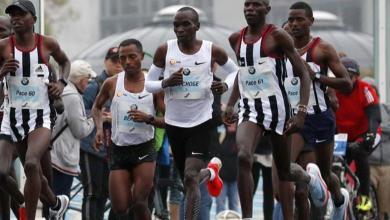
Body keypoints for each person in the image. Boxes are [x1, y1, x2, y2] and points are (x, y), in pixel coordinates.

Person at [223, 0, 332, 219]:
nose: (250, 9)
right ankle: (246, 216)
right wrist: (230, 103)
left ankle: (311, 180)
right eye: (247, 5)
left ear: (267, 10)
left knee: (285, 171)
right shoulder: (236, 38)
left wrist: (301, 111)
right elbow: (243, 73)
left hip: (278, 111)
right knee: (244, 156)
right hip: (250, 108)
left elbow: (303, 73)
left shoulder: (278, 36)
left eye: (256, 5)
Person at [145, 6, 239, 219]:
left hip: (200, 123)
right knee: (189, 181)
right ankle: (212, 171)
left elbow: (235, 73)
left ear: (197, 26)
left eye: (185, 24)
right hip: (174, 124)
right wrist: (166, 82)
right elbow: (148, 85)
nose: (180, 28)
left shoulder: (212, 50)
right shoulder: (164, 50)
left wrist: (224, 86)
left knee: (189, 178)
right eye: (176, 24)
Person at [281, 2, 353, 219]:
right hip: (295, 119)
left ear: (311, 21)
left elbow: (347, 83)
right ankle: (312, 182)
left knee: (327, 172)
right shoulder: (281, 50)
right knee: (285, 167)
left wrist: (318, 78)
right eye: (291, 19)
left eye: (299, 19)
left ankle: (340, 200)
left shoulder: (322, 49)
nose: (294, 24)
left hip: (320, 118)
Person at [0, 0, 71, 219]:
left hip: (40, 117)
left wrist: (61, 84)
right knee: (2, 172)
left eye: (21, 14)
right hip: (11, 117)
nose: (16, 18)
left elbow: (65, 62)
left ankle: (28, 215)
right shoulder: (3, 46)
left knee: (31, 164)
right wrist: (2, 71)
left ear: (34, 20)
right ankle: (53, 202)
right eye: (12, 15)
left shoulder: (47, 43)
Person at [92, 38, 165, 219]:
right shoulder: (111, 83)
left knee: (140, 202)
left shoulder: (153, 86)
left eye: (132, 57)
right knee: (120, 208)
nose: (127, 62)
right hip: (119, 150)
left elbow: (170, 120)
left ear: (141, 56)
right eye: (122, 58)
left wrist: (149, 119)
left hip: (144, 150)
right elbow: (96, 107)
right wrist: (99, 129)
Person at [80, 46, 122, 220]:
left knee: (108, 194)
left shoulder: (125, 84)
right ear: (106, 62)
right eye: (114, 60)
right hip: (92, 148)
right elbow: (80, 113)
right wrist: (101, 116)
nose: (119, 64)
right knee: (92, 193)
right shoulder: (95, 85)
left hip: (114, 149)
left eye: (122, 60)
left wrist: (117, 118)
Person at [336, 57, 382, 213]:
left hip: (366, 132)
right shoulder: (333, 90)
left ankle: (365, 197)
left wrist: (369, 134)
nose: (344, 80)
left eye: (348, 76)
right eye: (340, 75)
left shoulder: (365, 89)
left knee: (360, 152)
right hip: (344, 135)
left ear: (356, 77)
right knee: (333, 160)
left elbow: (374, 116)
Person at [50, 60, 95, 199]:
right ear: (81, 80)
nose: (88, 83)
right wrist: (95, 119)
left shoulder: (64, 91)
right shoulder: (73, 97)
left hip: (52, 154)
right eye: (88, 79)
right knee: (60, 201)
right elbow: (80, 130)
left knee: (51, 200)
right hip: (62, 157)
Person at [362, 77, 390, 220]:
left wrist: (376, 129)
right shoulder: (361, 112)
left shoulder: (386, 109)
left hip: (387, 165)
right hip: (368, 164)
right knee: (366, 203)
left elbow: (376, 130)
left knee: (385, 205)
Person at [216, 121, 239, 214]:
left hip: (235, 177)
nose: (231, 125)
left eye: (233, 123)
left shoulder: (240, 137)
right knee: (220, 205)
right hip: (221, 177)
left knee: (234, 205)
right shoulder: (221, 135)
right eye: (229, 123)